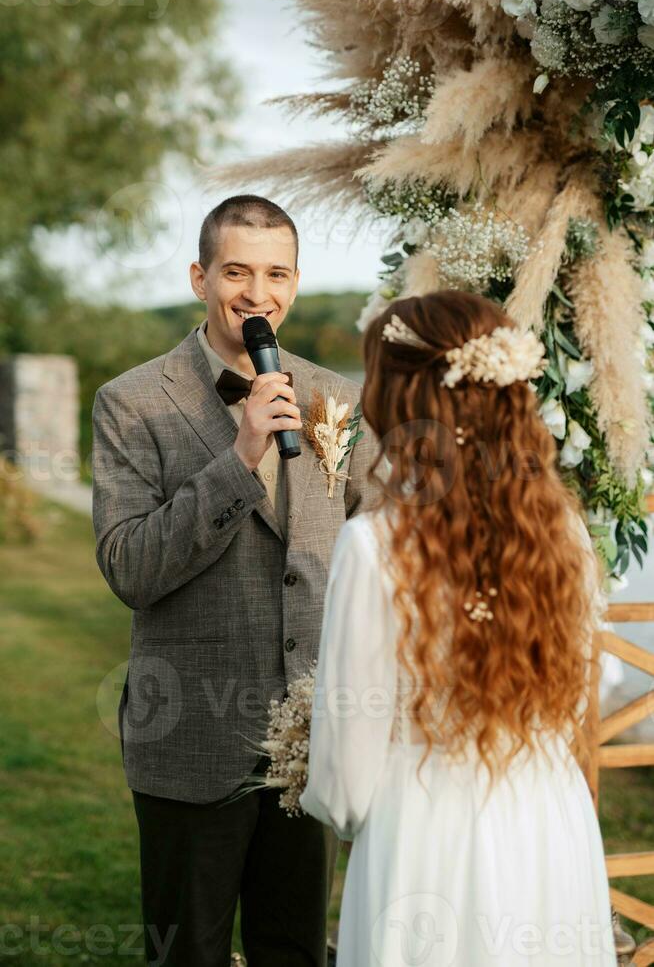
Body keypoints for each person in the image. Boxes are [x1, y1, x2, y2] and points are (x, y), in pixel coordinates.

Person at [91, 194, 382, 967]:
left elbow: (391, 537)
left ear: (294, 282)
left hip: (312, 739)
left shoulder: (336, 399)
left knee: (296, 949)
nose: (259, 294)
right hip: (190, 737)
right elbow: (130, 568)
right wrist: (240, 456)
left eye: (277, 273)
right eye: (238, 272)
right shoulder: (132, 403)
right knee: (188, 952)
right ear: (200, 275)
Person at [299, 290, 618, 966]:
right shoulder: (564, 532)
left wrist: (347, 809)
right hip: (549, 830)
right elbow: (598, 681)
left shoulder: (374, 546)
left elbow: (344, 778)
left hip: (425, 840)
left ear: (402, 398)